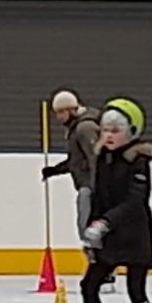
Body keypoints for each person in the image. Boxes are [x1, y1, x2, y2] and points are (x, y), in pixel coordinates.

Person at [73, 98, 152, 303]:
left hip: (134, 235)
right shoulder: (102, 157)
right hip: (108, 235)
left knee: (137, 291)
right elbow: (99, 196)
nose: (109, 136)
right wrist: (91, 230)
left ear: (131, 132)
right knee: (89, 286)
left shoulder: (139, 160)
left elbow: (135, 201)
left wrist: (105, 223)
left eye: (116, 130)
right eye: (105, 130)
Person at [41, 90, 103, 264]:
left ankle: (103, 271)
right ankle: (98, 268)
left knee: (88, 229)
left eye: (62, 112)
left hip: (90, 187)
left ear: (72, 109)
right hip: (86, 184)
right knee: (86, 229)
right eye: (57, 113)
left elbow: (95, 158)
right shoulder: (76, 128)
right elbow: (77, 161)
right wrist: (55, 170)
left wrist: (98, 187)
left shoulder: (85, 128)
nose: (59, 117)